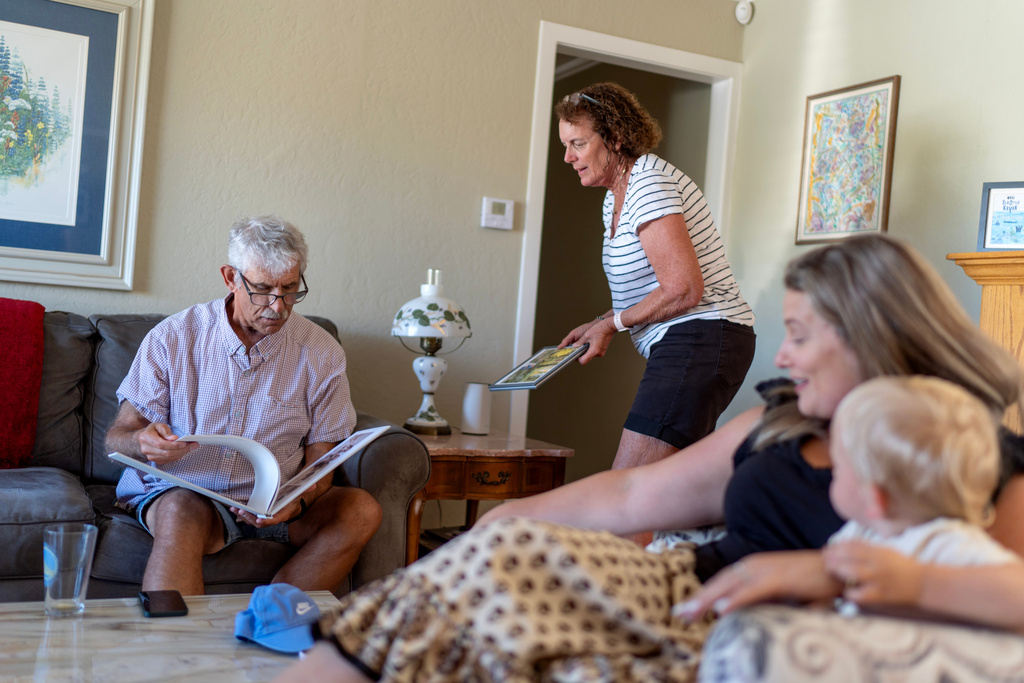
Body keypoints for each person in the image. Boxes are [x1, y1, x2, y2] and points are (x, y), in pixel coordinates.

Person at [273, 234, 1024, 682]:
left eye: (799, 333)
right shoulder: (785, 420)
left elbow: (1004, 596)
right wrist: (499, 522)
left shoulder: (975, 453)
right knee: (492, 559)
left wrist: (828, 574)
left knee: (498, 599)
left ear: (865, 334)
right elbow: (631, 501)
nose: (784, 354)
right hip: (679, 581)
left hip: (749, 631)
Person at [105, 215, 382, 596]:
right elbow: (117, 437)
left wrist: (297, 501)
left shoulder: (321, 352)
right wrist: (142, 442)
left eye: (290, 289)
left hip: (275, 500)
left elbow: (323, 457)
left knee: (360, 510)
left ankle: (268, 619)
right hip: (188, 493)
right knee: (180, 511)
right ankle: (173, 649)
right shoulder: (173, 337)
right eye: (263, 288)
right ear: (230, 278)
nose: (277, 305)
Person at [675, 375, 1021, 625]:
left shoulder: (946, 543)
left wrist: (915, 582)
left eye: (838, 466)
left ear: (874, 498)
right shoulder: (856, 535)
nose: (829, 471)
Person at [555, 83, 756, 472]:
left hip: (702, 335)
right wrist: (600, 324)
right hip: (691, 340)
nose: (568, 157)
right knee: (663, 486)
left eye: (577, 143)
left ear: (614, 137)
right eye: (565, 145)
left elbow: (683, 289)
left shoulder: (648, 182)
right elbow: (648, 288)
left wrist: (611, 325)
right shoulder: (614, 198)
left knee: (630, 485)